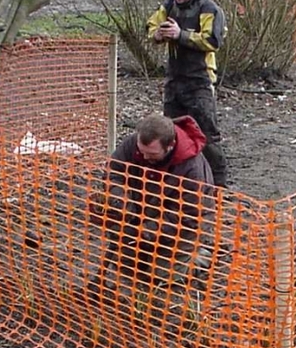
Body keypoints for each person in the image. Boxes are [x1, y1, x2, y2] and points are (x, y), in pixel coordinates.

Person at [88, 113, 214, 300]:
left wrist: (143, 233)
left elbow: (186, 217)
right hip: (144, 208)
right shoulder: (136, 144)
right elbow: (114, 172)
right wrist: (120, 201)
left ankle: (200, 256)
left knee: (164, 276)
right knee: (128, 262)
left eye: (152, 154)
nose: (145, 157)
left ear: (169, 146)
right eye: (142, 152)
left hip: (182, 225)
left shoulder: (192, 170)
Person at [147, 0, 228, 187]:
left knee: (207, 136)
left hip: (199, 81)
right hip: (174, 80)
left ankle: (219, 187)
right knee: (169, 134)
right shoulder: (169, 5)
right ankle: (173, 182)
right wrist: (159, 35)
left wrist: (180, 35)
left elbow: (213, 40)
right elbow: (150, 27)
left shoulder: (209, 9)